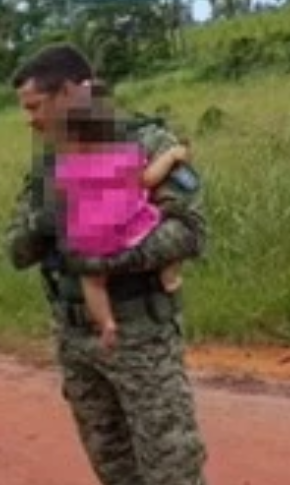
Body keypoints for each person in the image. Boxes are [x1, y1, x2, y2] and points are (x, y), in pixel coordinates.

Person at [4, 43, 232, 485]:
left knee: (172, 474)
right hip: (77, 339)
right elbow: (17, 244)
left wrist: (98, 253)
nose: (29, 118)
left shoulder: (144, 140)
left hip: (138, 336)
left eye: (35, 104)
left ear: (76, 88)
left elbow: (188, 232)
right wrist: (49, 224)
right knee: (119, 469)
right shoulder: (50, 157)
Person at [52, 85, 191, 352]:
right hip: (128, 228)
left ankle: (106, 323)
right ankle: (169, 276)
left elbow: (63, 196)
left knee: (92, 281)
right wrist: (172, 155)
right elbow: (149, 179)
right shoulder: (124, 155)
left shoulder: (66, 163)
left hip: (91, 237)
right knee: (173, 228)